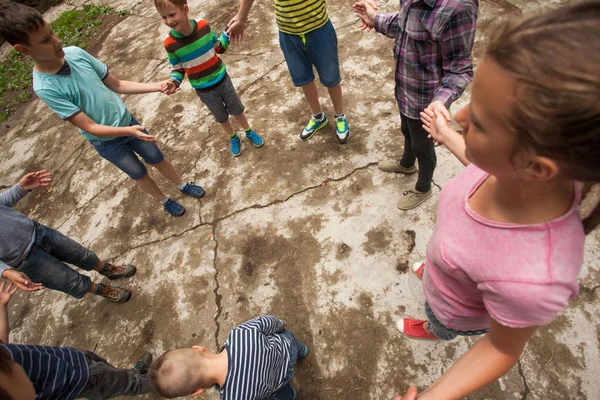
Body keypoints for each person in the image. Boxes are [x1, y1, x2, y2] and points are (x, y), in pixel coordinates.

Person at [391, 2, 600, 398]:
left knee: (442, 320)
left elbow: (503, 348)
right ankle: (438, 274)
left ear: (535, 166)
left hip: (459, 310)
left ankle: (436, 328)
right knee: (441, 266)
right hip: (454, 268)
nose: (462, 116)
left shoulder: (532, 279)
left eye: (480, 121)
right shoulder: (528, 174)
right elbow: (482, 164)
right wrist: (450, 134)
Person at [0, 2, 205, 218]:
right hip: (107, 142)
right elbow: (90, 126)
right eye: (45, 40)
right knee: (138, 172)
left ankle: (182, 184)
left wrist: (157, 86)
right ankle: (165, 199)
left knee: (157, 157)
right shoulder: (45, 87)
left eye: (51, 32)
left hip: (128, 123)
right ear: (23, 50)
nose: (56, 41)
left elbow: (116, 85)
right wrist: (128, 132)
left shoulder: (76, 54)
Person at [354, 0, 477, 209]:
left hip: (427, 101)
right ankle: (407, 164)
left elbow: (459, 70)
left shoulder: (458, 9)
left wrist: (440, 102)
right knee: (406, 129)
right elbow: (404, 25)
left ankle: (423, 187)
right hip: (405, 87)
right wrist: (375, 19)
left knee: (422, 145)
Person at [0, 281, 153, 399]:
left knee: (110, 372)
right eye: (11, 369)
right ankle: (164, 382)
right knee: (129, 384)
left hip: (72, 358)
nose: (16, 364)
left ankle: (131, 375)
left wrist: (1, 307)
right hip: (79, 379)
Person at [226, 0, 351, 144]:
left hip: (319, 28)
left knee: (331, 77)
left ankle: (340, 116)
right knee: (304, 78)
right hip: (288, 34)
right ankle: (318, 117)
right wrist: (241, 18)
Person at [1, 170, 135, 303]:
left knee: (80, 254)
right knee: (67, 279)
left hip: (37, 231)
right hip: (23, 259)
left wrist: (21, 188)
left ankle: (107, 269)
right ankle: (102, 290)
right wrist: (6, 271)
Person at [156, 0, 264, 157]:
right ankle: (233, 137)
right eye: (164, 17)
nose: (168, 21)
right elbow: (177, 69)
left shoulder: (203, 26)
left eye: (172, 14)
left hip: (222, 79)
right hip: (203, 89)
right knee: (221, 116)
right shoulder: (169, 43)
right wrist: (174, 82)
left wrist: (228, 32)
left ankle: (248, 131)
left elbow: (219, 47)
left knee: (237, 109)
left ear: (185, 9)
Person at [150, 315, 308, 399]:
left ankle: (290, 396)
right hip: (287, 347)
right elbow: (266, 322)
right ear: (199, 349)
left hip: (277, 382)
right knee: (296, 345)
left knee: (280, 393)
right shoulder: (240, 334)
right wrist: (280, 324)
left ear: (197, 392)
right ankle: (303, 352)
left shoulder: (234, 397)